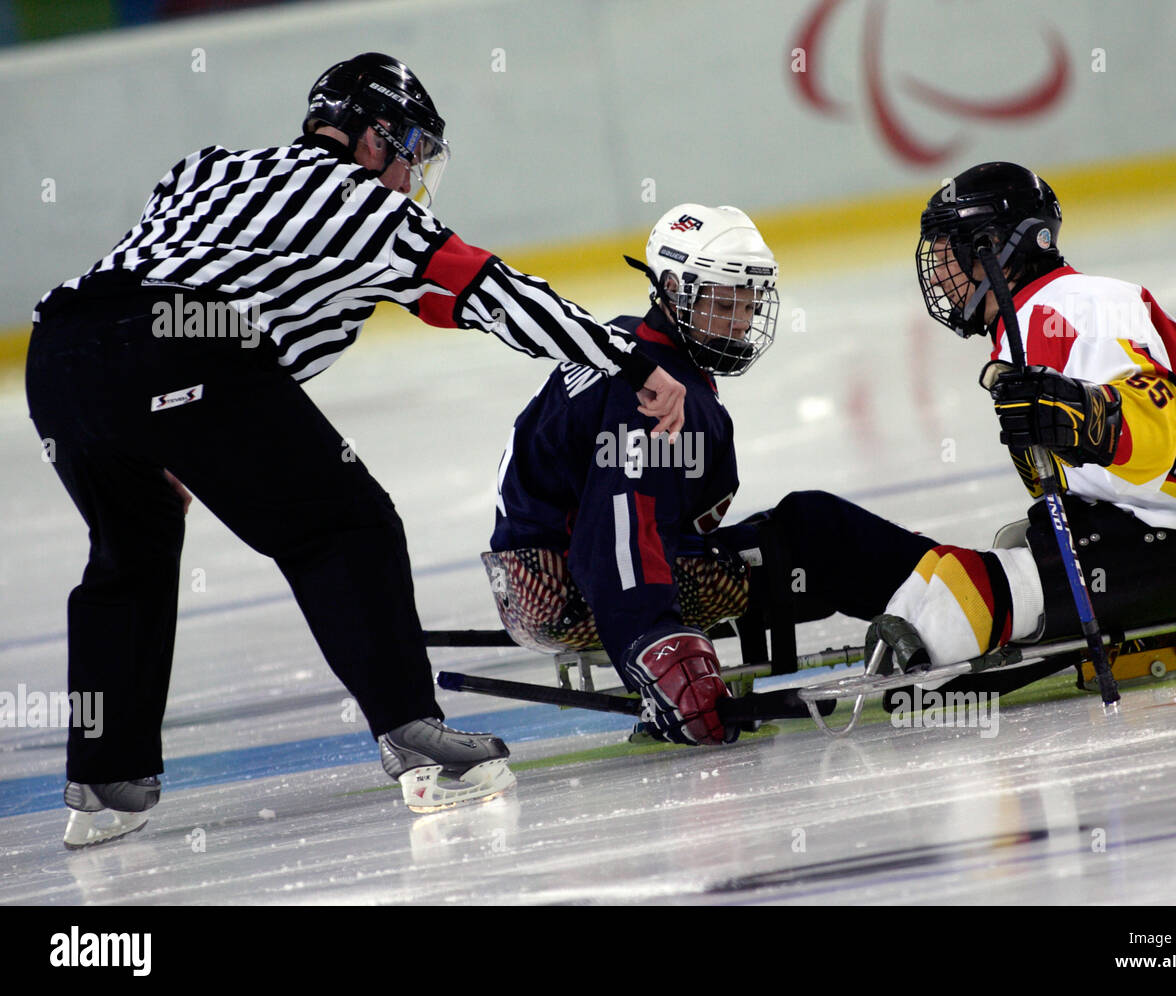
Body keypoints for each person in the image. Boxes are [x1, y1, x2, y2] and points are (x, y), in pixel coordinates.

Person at [26, 53, 689, 848]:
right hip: (180, 353)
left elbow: (156, 279)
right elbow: (491, 289)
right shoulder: (358, 207)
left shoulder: (206, 168)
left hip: (57, 358)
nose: (412, 174)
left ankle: (104, 778)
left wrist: (155, 420)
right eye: (410, 149)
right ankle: (415, 736)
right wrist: (631, 361)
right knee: (347, 524)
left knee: (128, 552)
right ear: (374, 137)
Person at [486, 204, 937, 743]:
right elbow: (618, 533)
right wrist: (655, 647)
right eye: (725, 302)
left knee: (801, 532)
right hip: (565, 590)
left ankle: (939, 585)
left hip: (539, 577)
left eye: (749, 302)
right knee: (812, 535)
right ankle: (952, 597)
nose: (741, 321)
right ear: (674, 289)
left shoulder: (635, 349)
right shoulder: (652, 393)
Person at [866, 162, 1176, 680]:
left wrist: (1081, 416)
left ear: (995, 247)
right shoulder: (1027, 322)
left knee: (954, 605)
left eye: (951, 250)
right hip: (1139, 519)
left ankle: (917, 669)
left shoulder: (1083, 303)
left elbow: (1155, 432)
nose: (940, 271)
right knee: (935, 576)